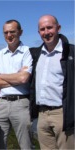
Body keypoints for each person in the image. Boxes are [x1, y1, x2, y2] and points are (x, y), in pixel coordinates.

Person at [29, 14, 74, 149]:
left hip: (63, 114)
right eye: (42, 29)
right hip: (42, 115)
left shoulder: (71, 52)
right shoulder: (35, 54)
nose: (46, 32)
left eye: (50, 28)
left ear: (58, 28)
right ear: (38, 32)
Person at [0, 20, 33, 149]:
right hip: (1, 104)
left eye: (12, 31)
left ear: (20, 32)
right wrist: (16, 78)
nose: (9, 35)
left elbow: (24, 78)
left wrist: (1, 75)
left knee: (26, 145)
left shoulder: (28, 52)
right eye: (6, 32)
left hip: (21, 103)